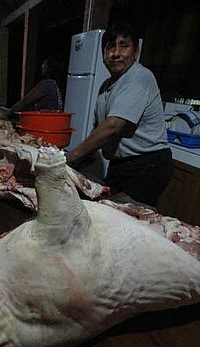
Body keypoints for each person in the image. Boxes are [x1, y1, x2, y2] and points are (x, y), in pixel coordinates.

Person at [66, 21, 172, 207]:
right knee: (107, 208)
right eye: (110, 48)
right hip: (120, 165)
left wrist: (71, 156)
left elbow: (113, 125)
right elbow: (99, 130)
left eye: (124, 46)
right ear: (103, 54)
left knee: (128, 220)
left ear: (135, 52)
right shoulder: (105, 87)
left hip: (147, 165)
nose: (115, 54)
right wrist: (83, 160)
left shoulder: (139, 76)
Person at [0, 56, 65, 119]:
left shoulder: (46, 84)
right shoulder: (56, 84)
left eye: (44, 65)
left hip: (46, 123)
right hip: (54, 121)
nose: (42, 66)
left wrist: (6, 114)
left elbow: (25, 102)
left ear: (49, 68)